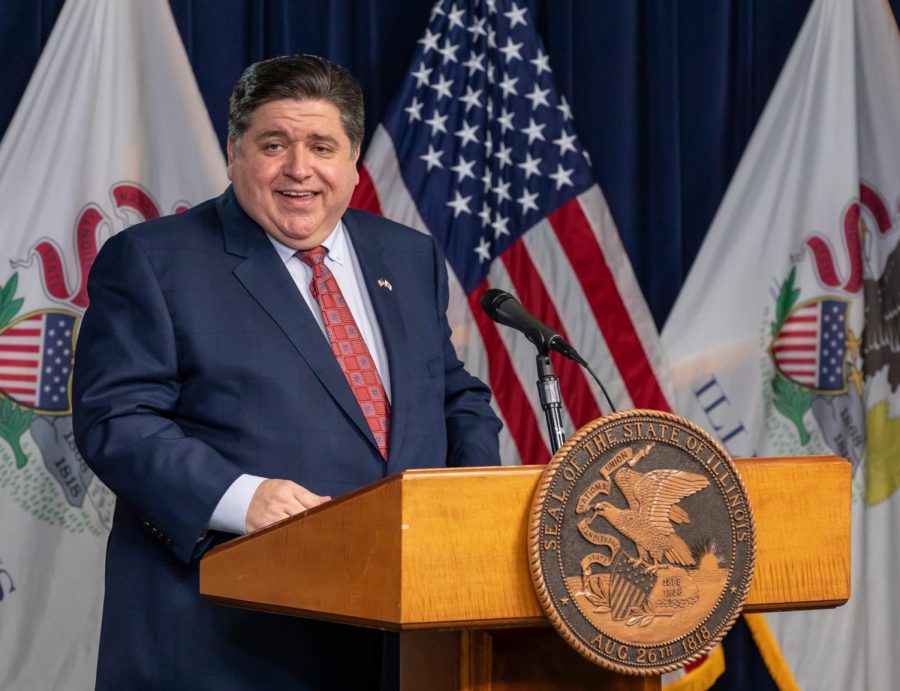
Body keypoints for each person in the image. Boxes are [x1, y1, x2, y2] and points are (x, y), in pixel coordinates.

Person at [73, 54, 502, 690]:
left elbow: (451, 395)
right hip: (227, 639)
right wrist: (241, 498)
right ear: (233, 152)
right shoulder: (152, 260)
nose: (299, 169)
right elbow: (117, 421)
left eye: (321, 146)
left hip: (404, 639)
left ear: (353, 162)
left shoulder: (407, 255)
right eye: (274, 144)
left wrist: (469, 507)